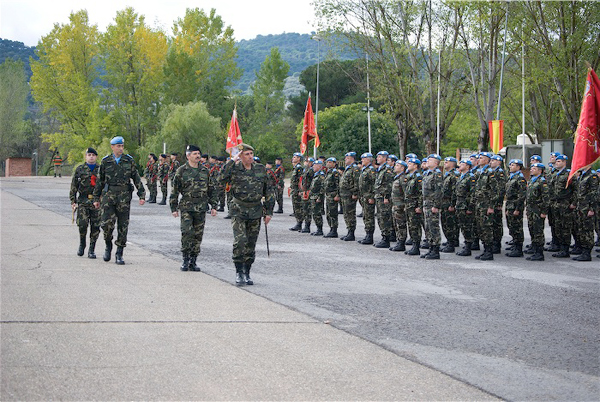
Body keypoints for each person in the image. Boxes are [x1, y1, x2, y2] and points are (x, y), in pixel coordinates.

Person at [219, 143, 274, 285]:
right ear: (240, 156)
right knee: (240, 241)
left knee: (251, 243)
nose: (250, 157)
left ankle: (247, 272)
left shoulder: (260, 169)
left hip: (255, 210)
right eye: (246, 154)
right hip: (239, 209)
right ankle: (238, 272)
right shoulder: (234, 168)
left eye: (251, 154)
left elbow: (268, 190)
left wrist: (269, 212)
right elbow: (221, 178)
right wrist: (232, 160)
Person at [93, 136, 146, 265]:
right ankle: (108, 245)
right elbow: (100, 181)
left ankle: (119, 253)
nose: (121, 148)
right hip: (109, 197)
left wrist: (141, 194)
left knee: (123, 226)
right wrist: (96, 197)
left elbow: (136, 178)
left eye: (122, 146)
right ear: (112, 147)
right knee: (106, 224)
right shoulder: (106, 161)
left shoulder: (129, 161)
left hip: (124, 197)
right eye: (118, 146)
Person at [170, 145, 217, 272]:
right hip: (187, 207)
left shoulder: (205, 171)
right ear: (188, 155)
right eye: (194, 153)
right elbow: (174, 190)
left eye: (198, 154)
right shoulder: (181, 171)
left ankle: (193, 261)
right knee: (187, 233)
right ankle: (185, 259)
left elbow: (211, 189)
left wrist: (214, 205)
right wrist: (173, 207)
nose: (197, 156)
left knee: (198, 235)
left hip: (201, 207)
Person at [69, 147, 101, 258]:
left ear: (96, 157)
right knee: (82, 224)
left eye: (93, 155)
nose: (91, 157)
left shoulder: (101, 169)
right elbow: (74, 186)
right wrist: (73, 200)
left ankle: (92, 249)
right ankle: (82, 244)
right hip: (83, 200)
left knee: (95, 226)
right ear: (86, 156)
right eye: (89, 155)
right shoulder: (80, 169)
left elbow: (105, 185)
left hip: (96, 201)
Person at [548, 154, 575, 258]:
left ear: (564, 162)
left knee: (565, 227)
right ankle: (560, 246)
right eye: (556, 161)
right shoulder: (555, 174)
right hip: (555, 204)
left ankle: (565, 249)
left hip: (565, 204)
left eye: (559, 161)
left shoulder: (568, 174)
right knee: (557, 226)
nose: (557, 163)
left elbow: (575, 189)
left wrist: (573, 203)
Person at [473, 152, 498, 261]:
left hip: (486, 205)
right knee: (481, 227)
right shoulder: (479, 172)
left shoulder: (490, 173)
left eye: (481, 158)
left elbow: (495, 191)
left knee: (487, 228)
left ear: (487, 160)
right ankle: (485, 249)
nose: (479, 159)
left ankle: (489, 251)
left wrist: (491, 206)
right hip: (479, 204)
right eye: (478, 158)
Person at [571, 165, 599, 261]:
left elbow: (594, 193)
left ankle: (587, 252)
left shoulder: (592, 176)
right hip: (581, 207)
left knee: (587, 229)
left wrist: (592, 208)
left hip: (587, 208)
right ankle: (583, 251)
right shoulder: (583, 175)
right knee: (581, 229)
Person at [524, 163, 549, 261]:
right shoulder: (532, 180)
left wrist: (544, 211)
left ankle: (539, 253)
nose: (531, 170)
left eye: (534, 168)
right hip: (531, 210)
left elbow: (546, 198)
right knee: (532, 229)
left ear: (540, 170)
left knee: (538, 231)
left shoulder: (542, 182)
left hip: (538, 210)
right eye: (532, 168)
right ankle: (534, 249)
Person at [421, 154, 443, 259]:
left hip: (432, 205)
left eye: (430, 160)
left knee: (433, 227)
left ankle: (436, 250)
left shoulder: (437, 174)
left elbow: (439, 192)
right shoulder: (427, 174)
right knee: (428, 227)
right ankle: (430, 247)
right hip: (426, 204)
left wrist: (436, 205)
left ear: (436, 163)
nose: (427, 162)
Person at [504, 159, 527, 257]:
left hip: (515, 205)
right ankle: (514, 244)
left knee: (517, 227)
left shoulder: (520, 178)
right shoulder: (511, 177)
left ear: (518, 167)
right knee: (512, 226)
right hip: (510, 205)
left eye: (513, 165)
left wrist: (518, 209)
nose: (510, 167)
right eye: (510, 165)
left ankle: (518, 248)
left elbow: (522, 195)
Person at [454, 160, 476, 256]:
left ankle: (468, 247)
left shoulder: (470, 177)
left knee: (467, 226)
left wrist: (470, 208)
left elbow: (473, 194)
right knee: (463, 226)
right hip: (459, 205)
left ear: (467, 166)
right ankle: (467, 245)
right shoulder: (461, 177)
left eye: (462, 164)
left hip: (466, 206)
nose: (460, 166)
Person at [373, 151, 395, 248]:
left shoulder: (387, 170)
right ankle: (384, 237)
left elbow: (389, 185)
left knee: (385, 218)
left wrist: (386, 197)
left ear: (385, 158)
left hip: (384, 198)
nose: (377, 158)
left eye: (379, 157)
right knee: (380, 217)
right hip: (379, 197)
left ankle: (386, 239)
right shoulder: (380, 169)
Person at [339, 152, 361, 241]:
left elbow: (356, 182)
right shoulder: (348, 168)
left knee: (350, 214)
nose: (345, 160)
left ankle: (351, 233)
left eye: (347, 158)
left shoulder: (354, 169)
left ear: (352, 158)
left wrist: (355, 194)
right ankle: (349, 231)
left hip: (350, 195)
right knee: (346, 214)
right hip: (344, 195)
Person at [404, 158, 423, 256]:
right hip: (409, 205)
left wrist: (419, 206)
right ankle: (413, 244)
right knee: (411, 225)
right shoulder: (409, 176)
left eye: (410, 163)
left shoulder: (418, 177)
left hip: (414, 205)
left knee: (415, 226)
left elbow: (421, 193)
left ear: (415, 165)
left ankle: (416, 246)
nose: (408, 164)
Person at [440, 157, 459, 253]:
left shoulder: (454, 175)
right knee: (444, 223)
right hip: (443, 204)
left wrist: (452, 204)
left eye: (447, 162)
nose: (445, 163)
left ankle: (451, 244)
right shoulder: (446, 175)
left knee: (450, 224)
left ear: (453, 164)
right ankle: (449, 241)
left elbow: (455, 191)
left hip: (449, 204)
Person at [357, 152, 377, 245]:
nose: (362, 160)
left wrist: (372, 197)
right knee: (366, 216)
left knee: (369, 216)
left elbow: (374, 184)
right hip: (364, 197)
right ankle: (367, 234)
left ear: (368, 159)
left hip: (369, 197)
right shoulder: (364, 169)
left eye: (363, 159)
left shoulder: (371, 170)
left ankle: (370, 236)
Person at [490, 155, 507, 253]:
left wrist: (499, 202)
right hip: (493, 201)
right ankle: (493, 243)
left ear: (499, 162)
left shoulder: (500, 173)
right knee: (492, 223)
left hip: (496, 203)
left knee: (497, 224)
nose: (491, 162)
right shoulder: (492, 172)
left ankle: (497, 244)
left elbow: (501, 189)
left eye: (493, 160)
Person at [390, 160, 408, 251]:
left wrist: (404, 205)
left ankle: (401, 243)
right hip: (395, 205)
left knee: (401, 225)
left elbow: (406, 193)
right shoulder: (397, 178)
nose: (395, 166)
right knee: (396, 224)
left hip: (400, 206)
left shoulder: (403, 178)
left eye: (397, 165)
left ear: (402, 168)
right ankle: (399, 241)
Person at [323, 157, 341, 238]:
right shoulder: (328, 172)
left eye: (330, 162)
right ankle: (331, 228)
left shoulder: (335, 173)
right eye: (327, 162)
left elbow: (338, 185)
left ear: (334, 163)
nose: (328, 164)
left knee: (333, 213)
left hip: (333, 195)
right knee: (328, 213)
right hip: (328, 195)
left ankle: (334, 230)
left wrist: (337, 195)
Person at [308, 160, 326, 236]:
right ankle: (318, 228)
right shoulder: (316, 175)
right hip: (313, 196)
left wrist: (320, 197)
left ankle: (320, 229)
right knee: (314, 213)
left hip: (317, 197)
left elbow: (323, 187)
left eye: (315, 165)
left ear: (319, 166)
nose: (313, 167)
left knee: (317, 213)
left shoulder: (321, 175)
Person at [289, 152, 305, 231]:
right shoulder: (295, 168)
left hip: (297, 190)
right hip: (294, 190)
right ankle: (298, 222)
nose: (293, 158)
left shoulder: (299, 168)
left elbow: (301, 180)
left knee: (298, 207)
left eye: (295, 157)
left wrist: (300, 190)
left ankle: (300, 223)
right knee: (295, 207)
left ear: (299, 159)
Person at [300, 157, 315, 233]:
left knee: (307, 209)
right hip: (305, 190)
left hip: (309, 191)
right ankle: (305, 225)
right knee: (304, 209)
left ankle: (307, 226)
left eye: (308, 162)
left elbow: (309, 177)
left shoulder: (311, 170)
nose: (306, 163)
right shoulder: (306, 169)